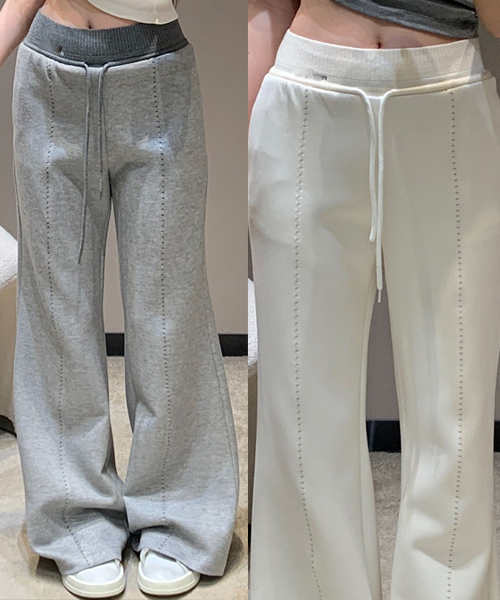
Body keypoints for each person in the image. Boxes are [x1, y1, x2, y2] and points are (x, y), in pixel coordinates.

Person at [248, 1, 500, 599]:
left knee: (456, 413)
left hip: (447, 99)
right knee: (301, 414)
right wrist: (251, 145)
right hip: (306, 93)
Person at [0, 0, 240, 597]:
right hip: (48, 72)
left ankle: (179, 515)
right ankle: (74, 518)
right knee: (56, 308)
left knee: (170, 310)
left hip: (155, 70)